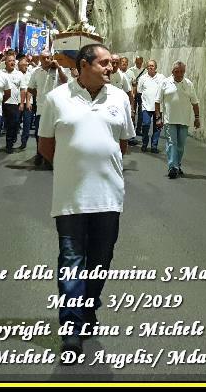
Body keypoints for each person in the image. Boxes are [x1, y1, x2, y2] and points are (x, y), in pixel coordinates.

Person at [36, 44, 135, 362]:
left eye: (112, 63)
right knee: (71, 261)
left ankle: (88, 307)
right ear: (83, 65)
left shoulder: (119, 98)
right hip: (70, 198)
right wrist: (73, 168)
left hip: (109, 196)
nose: (111, 67)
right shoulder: (56, 99)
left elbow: (122, 144)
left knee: (100, 261)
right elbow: (46, 146)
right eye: (104, 63)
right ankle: (71, 330)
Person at [156, 61, 200, 179]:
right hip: (169, 120)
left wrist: (197, 118)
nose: (179, 74)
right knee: (171, 143)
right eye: (177, 72)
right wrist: (158, 118)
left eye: (182, 72)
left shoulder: (189, 84)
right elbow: (157, 101)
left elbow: (195, 102)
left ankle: (177, 165)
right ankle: (172, 167)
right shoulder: (165, 83)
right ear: (172, 72)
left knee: (180, 145)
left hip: (184, 120)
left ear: (184, 72)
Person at [27, 55, 69, 169]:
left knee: (55, 134)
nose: (46, 60)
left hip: (57, 108)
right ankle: (40, 154)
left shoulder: (58, 70)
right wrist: (40, 96)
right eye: (44, 58)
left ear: (52, 59)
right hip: (41, 108)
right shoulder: (36, 72)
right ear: (40, 59)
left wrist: (59, 69)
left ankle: (51, 157)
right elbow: (30, 88)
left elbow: (66, 82)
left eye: (49, 58)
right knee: (39, 133)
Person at [135, 60, 165, 153]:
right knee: (146, 124)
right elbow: (139, 91)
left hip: (158, 107)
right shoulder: (143, 78)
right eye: (148, 66)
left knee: (157, 127)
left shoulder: (161, 77)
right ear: (147, 67)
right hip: (146, 106)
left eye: (152, 66)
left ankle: (154, 146)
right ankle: (144, 143)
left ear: (155, 67)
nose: (150, 67)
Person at [1, 53, 25, 154]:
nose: (12, 62)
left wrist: (22, 103)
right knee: (0, 125)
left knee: (14, 124)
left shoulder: (19, 74)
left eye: (13, 60)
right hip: (1, 102)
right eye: (10, 60)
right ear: (5, 62)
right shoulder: (0, 73)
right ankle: (6, 144)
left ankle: (10, 142)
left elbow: (23, 89)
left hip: (13, 103)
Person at [17, 55, 37, 150]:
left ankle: (24, 141)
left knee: (27, 123)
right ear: (19, 65)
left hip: (29, 102)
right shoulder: (16, 74)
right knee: (15, 122)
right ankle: (12, 138)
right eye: (24, 64)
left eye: (27, 64)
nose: (26, 66)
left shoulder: (31, 73)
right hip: (17, 102)